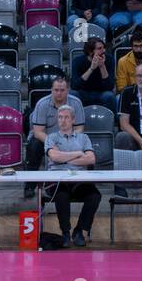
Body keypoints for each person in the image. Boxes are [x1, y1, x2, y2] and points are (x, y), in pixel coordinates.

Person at [44, 104, 99, 247]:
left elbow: (91, 159)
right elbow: (54, 157)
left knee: (95, 195)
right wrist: (78, 154)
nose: (63, 120)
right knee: (62, 195)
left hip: (79, 180)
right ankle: (65, 232)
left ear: (73, 119)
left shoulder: (83, 138)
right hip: (57, 180)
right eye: (60, 117)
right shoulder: (51, 138)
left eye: (66, 117)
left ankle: (79, 230)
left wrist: (63, 157)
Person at [27, 75, 85, 171]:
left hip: (69, 138)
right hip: (45, 139)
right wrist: (53, 143)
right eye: (56, 90)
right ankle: (30, 184)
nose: (59, 93)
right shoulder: (42, 104)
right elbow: (38, 132)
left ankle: (84, 183)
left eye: (62, 90)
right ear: (51, 90)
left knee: (86, 145)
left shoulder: (76, 103)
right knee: (34, 145)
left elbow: (79, 128)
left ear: (68, 90)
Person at [71, 37, 116, 111]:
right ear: (90, 51)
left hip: (101, 93)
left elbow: (109, 87)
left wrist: (102, 66)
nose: (103, 50)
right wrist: (91, 69)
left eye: (104, 48)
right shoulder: (78, 61)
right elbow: (74, 86)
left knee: (109, 96)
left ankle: (113, 121)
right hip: (84, 93)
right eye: (99, 48)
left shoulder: (109, 59)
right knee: (73, 94)